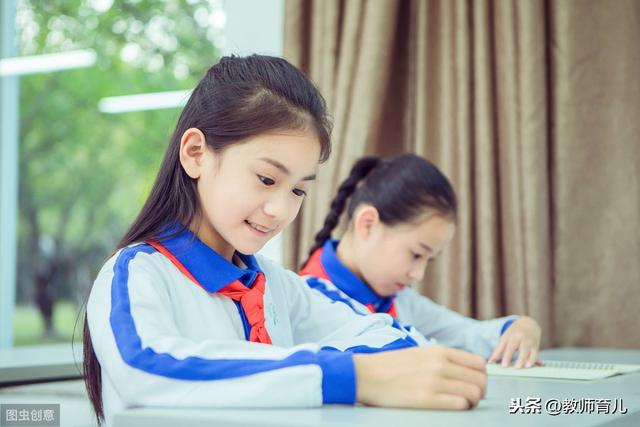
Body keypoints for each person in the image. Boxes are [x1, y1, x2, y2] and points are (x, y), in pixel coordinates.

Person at [83, 56, 488, 427]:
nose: (280, 209)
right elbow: (146, 368)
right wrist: (349, 377)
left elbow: (396, 340)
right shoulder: (136, 273)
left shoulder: (278, 286)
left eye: (297, 191)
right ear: (195, 153)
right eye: (266, 179)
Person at [300, 154, 542, 368]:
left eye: (429, 260)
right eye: (416, 254)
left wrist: (519, 328)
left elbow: (467, 334)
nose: (418, 274)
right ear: (368, 224)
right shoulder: (304, 299)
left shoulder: (397, 299)